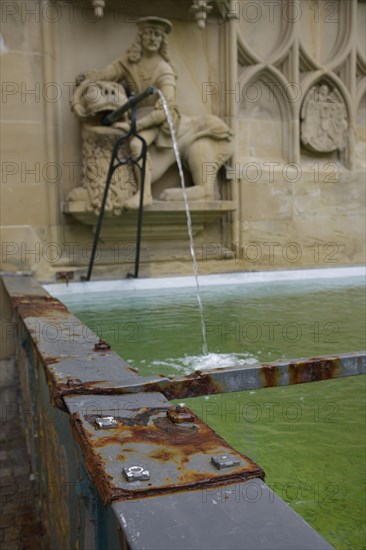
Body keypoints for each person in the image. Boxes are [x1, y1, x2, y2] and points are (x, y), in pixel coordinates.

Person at [75, 17, 180, 208]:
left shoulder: (165, 70)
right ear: (140, 36)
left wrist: (134, 126)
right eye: (149, 33)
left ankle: (144, 194)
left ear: (162, 40)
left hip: (154, 120)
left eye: (158, 34)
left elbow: (166, 109)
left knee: (137, 145)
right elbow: (108, 73)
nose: (153, 38)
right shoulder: (130, 60)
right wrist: (90, 79)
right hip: (132, 114)